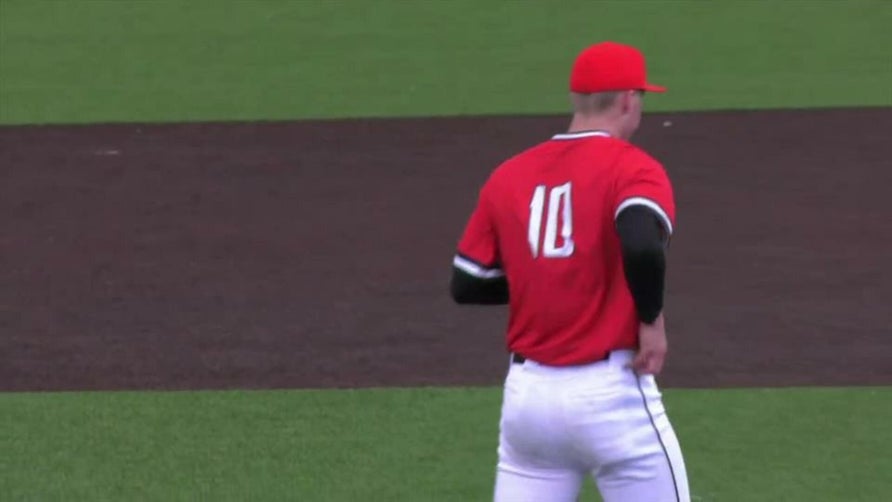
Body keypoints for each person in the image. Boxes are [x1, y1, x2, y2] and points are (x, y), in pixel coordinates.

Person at [450, 41, 690, 502]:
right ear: (627, 100)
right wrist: (651, 320)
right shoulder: (634, 169)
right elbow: (642, 245)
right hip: (611, 397)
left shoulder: (510, 174)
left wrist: (546, 278)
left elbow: (468, 282)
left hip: (528, 403)